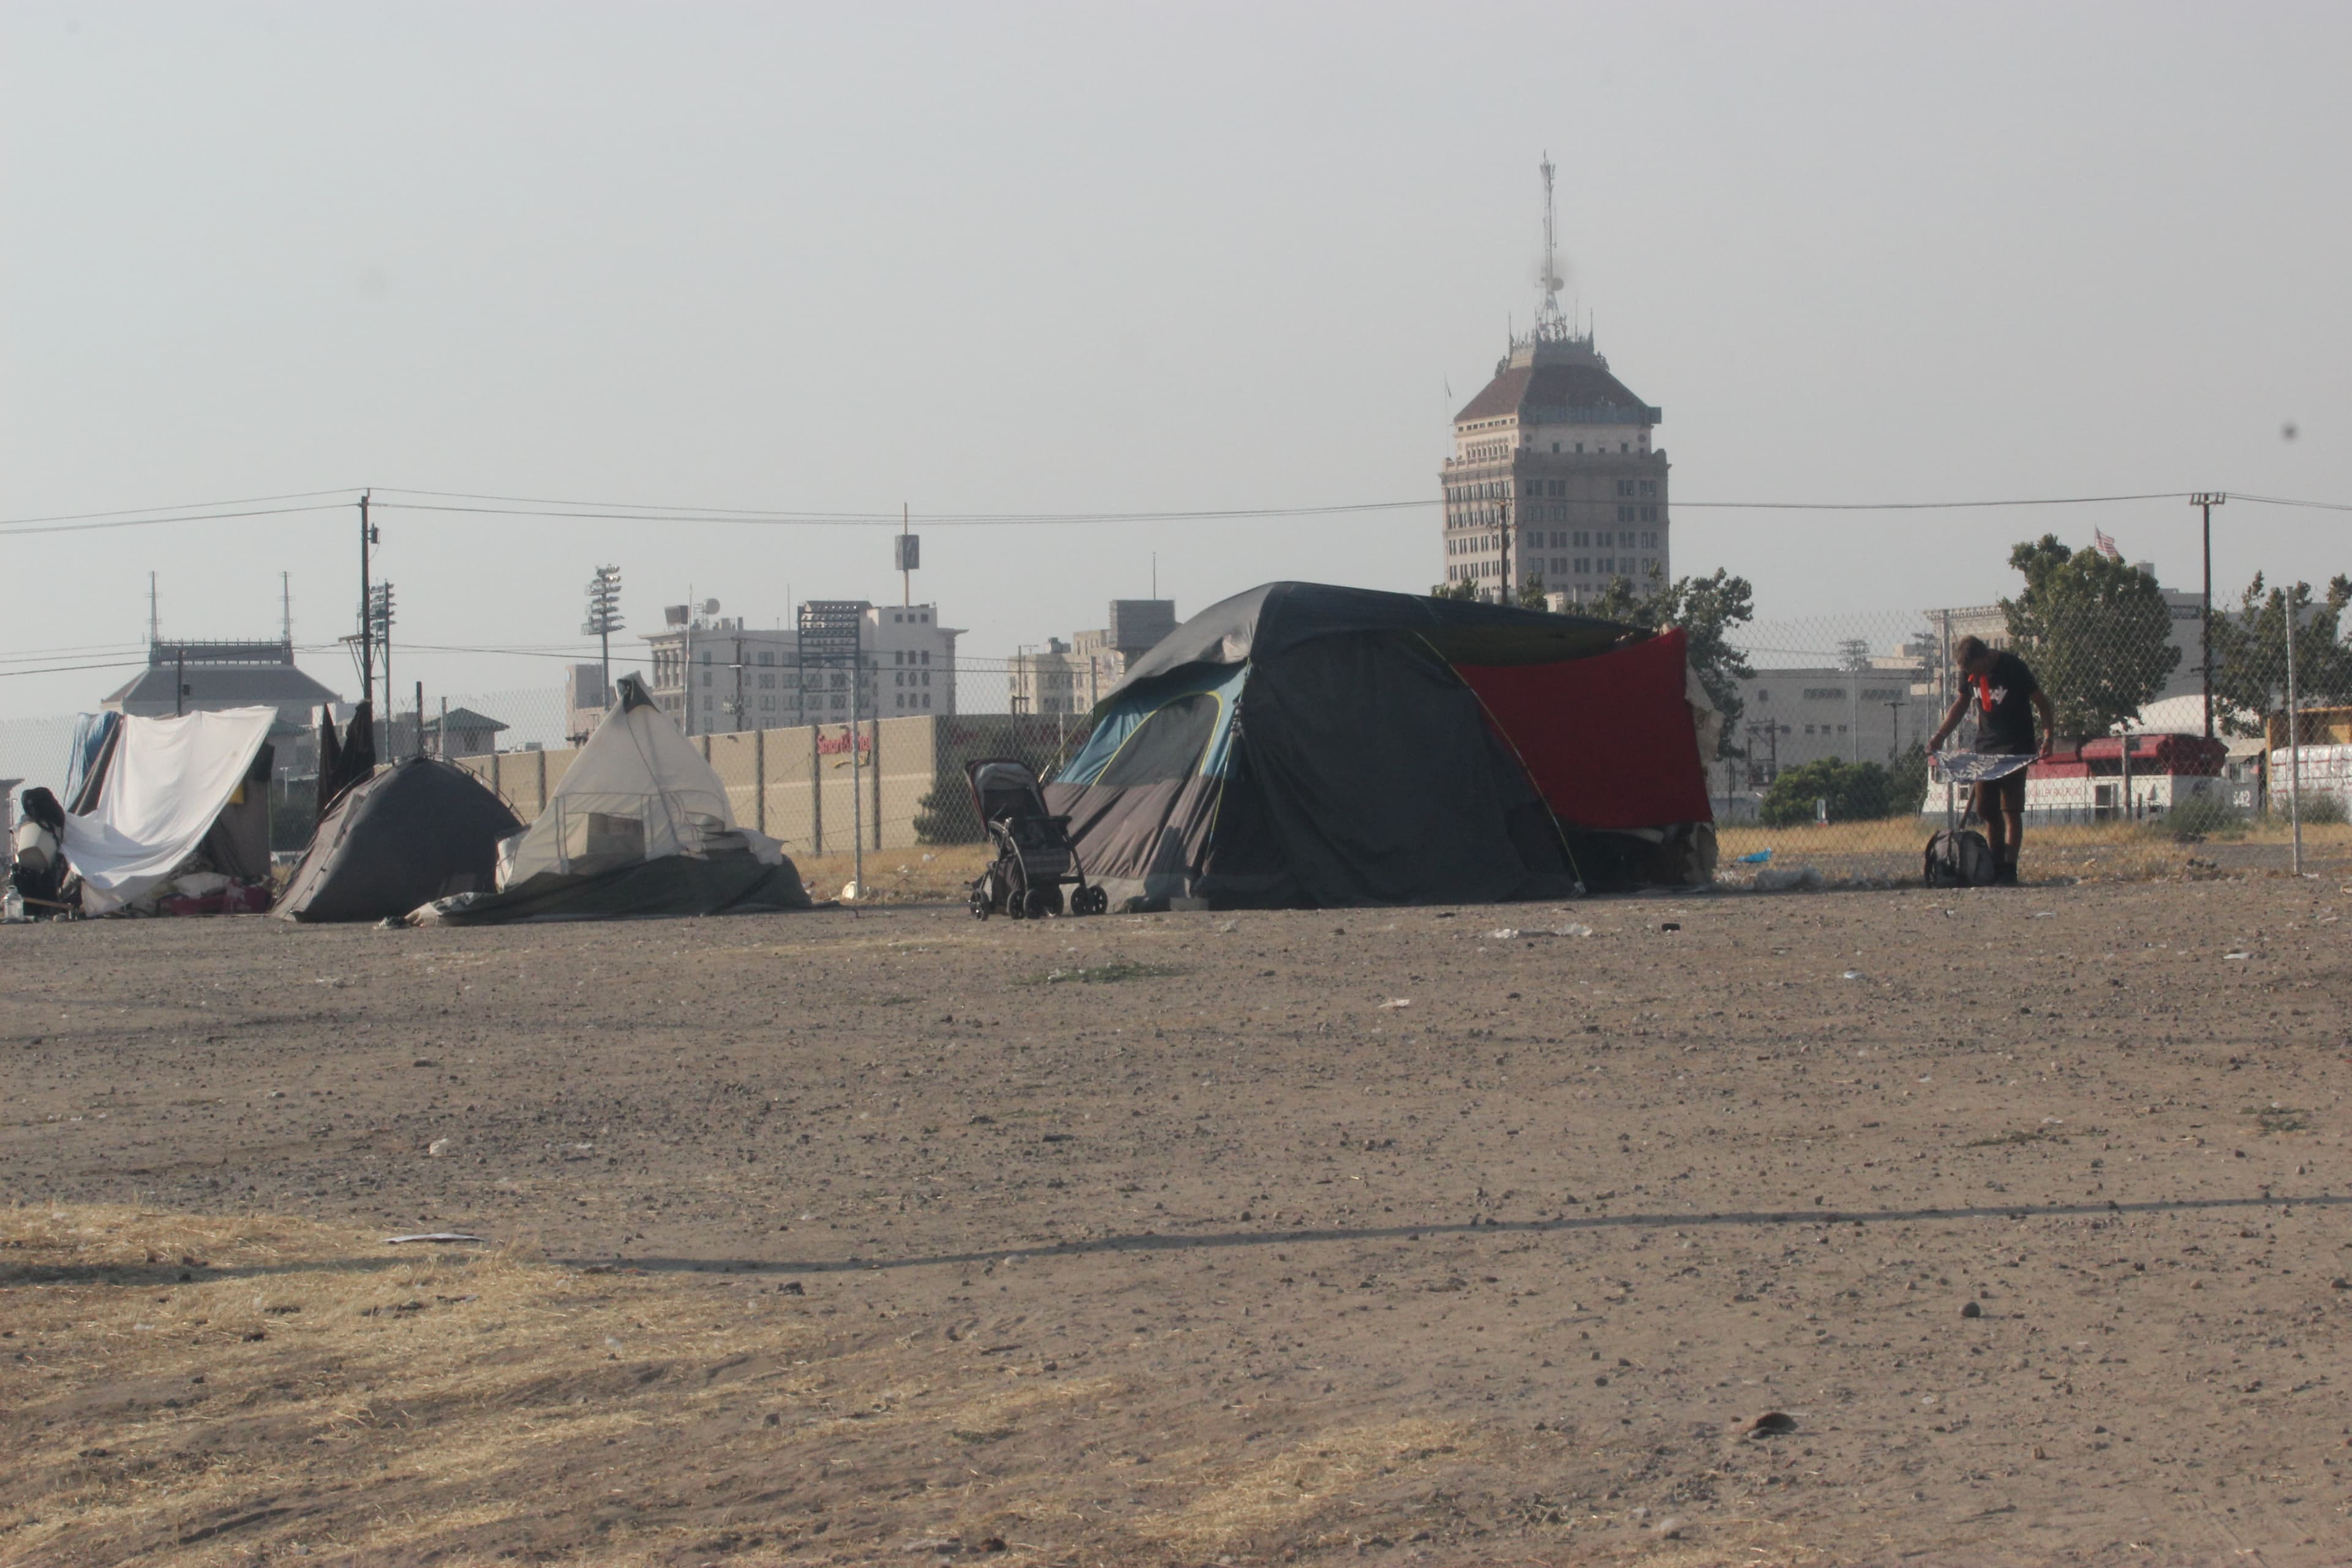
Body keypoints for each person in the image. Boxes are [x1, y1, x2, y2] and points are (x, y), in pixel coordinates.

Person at [1928, 635, 2056, 886]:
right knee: (1988, 812)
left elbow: (2042, 703)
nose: (1974, 676)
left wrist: (2048, 736)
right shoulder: (1969, 672)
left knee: (2011, 810)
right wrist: (1940, 736)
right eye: (1970, 673)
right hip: (1985, 750)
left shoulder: (2013, 667)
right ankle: (1995, 864)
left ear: (1985, 656)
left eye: (1977, 670)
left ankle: (2009, 867)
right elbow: (1962, 703)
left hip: (2015, 749)